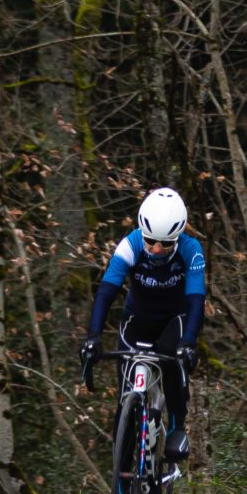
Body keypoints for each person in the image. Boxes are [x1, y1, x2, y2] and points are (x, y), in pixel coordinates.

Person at [80, 187, 207, 462]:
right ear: (142, 233)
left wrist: (189, 343)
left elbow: (197, 300)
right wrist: (93, 336)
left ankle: (175, 428)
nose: (157, 250)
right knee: (124, 399)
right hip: (137, 319)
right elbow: (106, 291)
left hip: (175, 320)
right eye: (150, 241)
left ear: (178, 238)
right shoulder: (130, 245)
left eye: (166, 244)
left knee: (174, 358)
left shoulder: (191, 249)